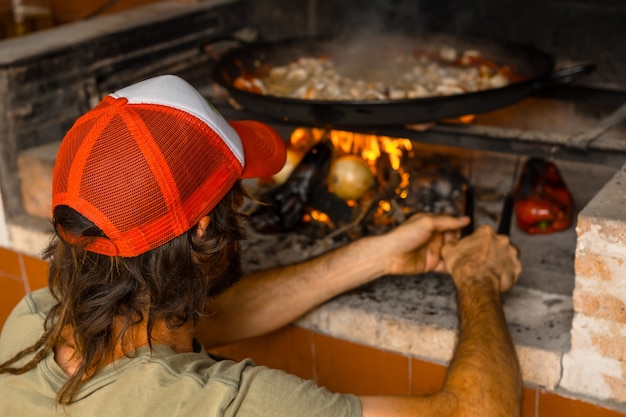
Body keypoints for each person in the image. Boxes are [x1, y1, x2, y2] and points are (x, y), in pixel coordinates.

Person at [0, 74, 522, 417]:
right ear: (203, 228)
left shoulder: (32, 321)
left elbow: (200, 319)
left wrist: (378, 256)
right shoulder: (224, 406)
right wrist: (477, 276)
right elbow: (477, 413)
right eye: (236, 195)